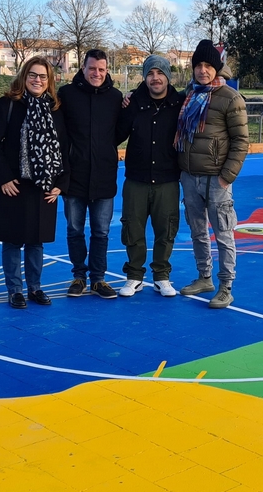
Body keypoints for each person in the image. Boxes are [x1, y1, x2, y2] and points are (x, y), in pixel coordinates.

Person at [0, 57, 68, 308]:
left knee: (36, 241)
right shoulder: (7, 104)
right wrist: (3, 178)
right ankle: (15, 289)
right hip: (13, 185)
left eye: (42, 76)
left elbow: (63, 148)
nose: (37, 80)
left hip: (42, 185)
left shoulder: (54, 109)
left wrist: (61, 182)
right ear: (23, 76)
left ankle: (35, 288)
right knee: (12, 239)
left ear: (49, 80)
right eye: (33, 75)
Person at [177, 40, 249, 309]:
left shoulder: (230, 98)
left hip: (216, 179)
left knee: (223, 234)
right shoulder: (189, 95)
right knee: (197, 232)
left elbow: (241, 141)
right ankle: (204, 277)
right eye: (199, 65)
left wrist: (226, 176)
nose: (203, 70)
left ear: (217, 68)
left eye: (208, 65)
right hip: (190, 176)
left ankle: (225, 286)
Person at [114, 55, 184, 297]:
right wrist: (121, 105)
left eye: (160, 73)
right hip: (136, 179)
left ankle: (162, 276)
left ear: (168, 76)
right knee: (133, 229)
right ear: (144, 77)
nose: (155, 78)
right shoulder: (133, 103)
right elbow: (115, 134)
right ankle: (134, 276)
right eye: (150, 73)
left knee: (166, 230)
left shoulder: (179, 103)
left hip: (167, 180)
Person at [58, 48, 124, 298]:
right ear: (83, 68)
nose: (96, 73)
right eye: (92, 68)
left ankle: (98, 279)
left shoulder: (116, 98)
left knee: (101, 231)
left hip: (104, 176)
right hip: (74, 176)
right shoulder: (66, 95)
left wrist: (105, 150)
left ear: (107, 71)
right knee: (74, 230)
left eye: (101, 69)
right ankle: (78, 277)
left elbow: (120, 131)